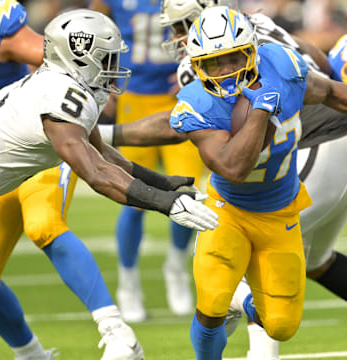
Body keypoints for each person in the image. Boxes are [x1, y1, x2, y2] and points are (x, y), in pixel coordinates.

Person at [100, 4, 347, 359]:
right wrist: (262, 108)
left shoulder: (280, 63)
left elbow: (327, 88)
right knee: (216, 298)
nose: (225, 71)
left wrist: (276, 98)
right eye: (213, 63)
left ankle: (243, 307)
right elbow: (232, 166)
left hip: (288, 194)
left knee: (281, 323)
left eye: (233, 59)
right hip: (231, 206)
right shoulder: (201, 95)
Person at [0, 8, 219, 360]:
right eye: (106, 58)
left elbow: (107, 157)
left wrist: (167, 185)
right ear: (79, 55)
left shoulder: (68, 86)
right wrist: (166, 205)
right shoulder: (61, 96)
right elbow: (96, 175)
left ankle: (44, 353)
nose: (113, 66)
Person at [89, 0, 207, 323]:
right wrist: (103, 74)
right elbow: (94, 25)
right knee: (132, 195)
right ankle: (128, 285)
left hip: (179, 96)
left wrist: (196, 71)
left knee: (187, 187)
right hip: (134, 96)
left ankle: (177, 266)